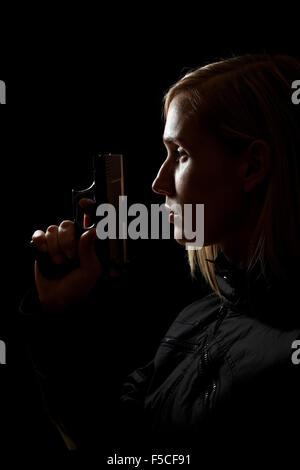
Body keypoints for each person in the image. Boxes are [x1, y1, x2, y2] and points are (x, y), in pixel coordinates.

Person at [21, 53, 300, 465]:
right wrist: (62, 315)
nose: (158, 182)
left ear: (252, 165)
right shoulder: (197, 319)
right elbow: (114, 448)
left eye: (181, 153)